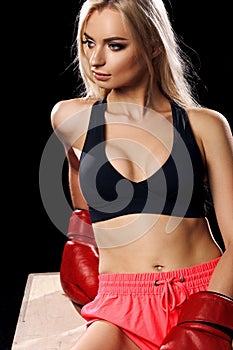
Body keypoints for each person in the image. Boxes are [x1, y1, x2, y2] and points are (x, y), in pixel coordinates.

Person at [51, 0, 233, 349]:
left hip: (202, 291)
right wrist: (82, 234)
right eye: (89, 42)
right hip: (121, 306)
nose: (95, 60)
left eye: (115, 45)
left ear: (152, 44)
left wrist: (208, 320)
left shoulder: (204, 125)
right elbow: (79, 177)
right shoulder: (69, 117)